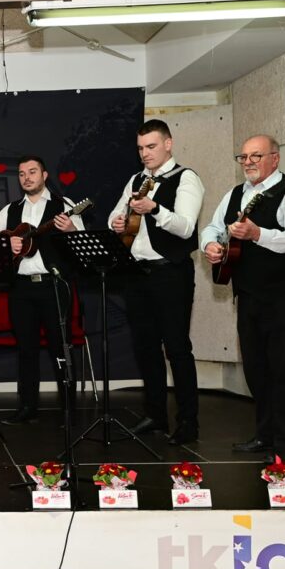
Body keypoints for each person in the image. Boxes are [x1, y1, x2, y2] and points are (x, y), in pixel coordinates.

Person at [201, 135, 285, 462]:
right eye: (243, 157)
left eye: (256, 156)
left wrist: (257, 234)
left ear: (275, 159)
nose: (248, 162)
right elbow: (212, 227)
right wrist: (211, 245)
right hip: (250, 295)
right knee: (257, 368)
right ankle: (266, 435)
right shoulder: (235, 194)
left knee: (284, 370)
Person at [108, 119, 204, 445]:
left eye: (150, 146)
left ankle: (188, 422)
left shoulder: (186, 178)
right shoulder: (136, 179)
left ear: (168, 144)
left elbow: (186, 227)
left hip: (170, 273)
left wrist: (155, 209)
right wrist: (117, 221)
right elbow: (115, 215)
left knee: (177, 348)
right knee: (145, 346)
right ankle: (155, 415)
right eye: (140, 148)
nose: (145, 154)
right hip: (137, 273)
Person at [0, 156, 83, 424]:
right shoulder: (11, 209)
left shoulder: (65, 206)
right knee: (26, 350)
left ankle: (69, 409)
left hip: (54, 286)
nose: (27, 177)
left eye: (32, 172)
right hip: (21, 289)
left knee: (61, 349)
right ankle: (27, 407)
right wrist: (6, 244)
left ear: (45, 175)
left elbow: (81, 246)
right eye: (22, 173)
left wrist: (71, 229)